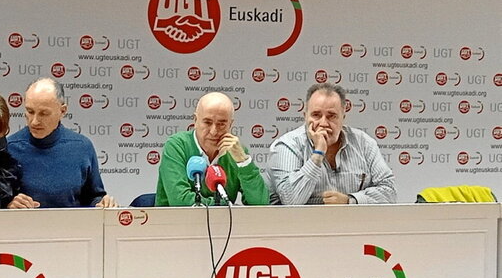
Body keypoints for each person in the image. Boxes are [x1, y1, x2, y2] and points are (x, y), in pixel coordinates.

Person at [267, 83, 396, 205]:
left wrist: (350, 200)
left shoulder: (364, 143)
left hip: (355, 225)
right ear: (305, 116)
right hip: (301, 226)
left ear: (343, 117)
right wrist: (318, 154)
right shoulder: (287, 145)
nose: (323, 123)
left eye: (331, 116)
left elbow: (390, 192)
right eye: (316, 115)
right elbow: (290, 200)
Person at [7, 78, 116, 208]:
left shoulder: (82, 147)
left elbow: (93, 197)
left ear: (62, 111)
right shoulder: (9, 148)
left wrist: (103, 203)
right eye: (30, 112)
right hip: (23, 227)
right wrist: (8, 204)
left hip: (73, 227)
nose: (34, 121)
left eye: (44, 113)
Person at [155, 91, 269, 206]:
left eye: (221, 124)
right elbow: (180, 201)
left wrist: (243, 162)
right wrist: (227, 205)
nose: (214, 132)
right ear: (195, 121)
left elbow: (260, 203)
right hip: (177, 222)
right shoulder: (177, 145)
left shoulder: (236, 151)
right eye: (207, 122)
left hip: (225, 223)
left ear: (230, 124)